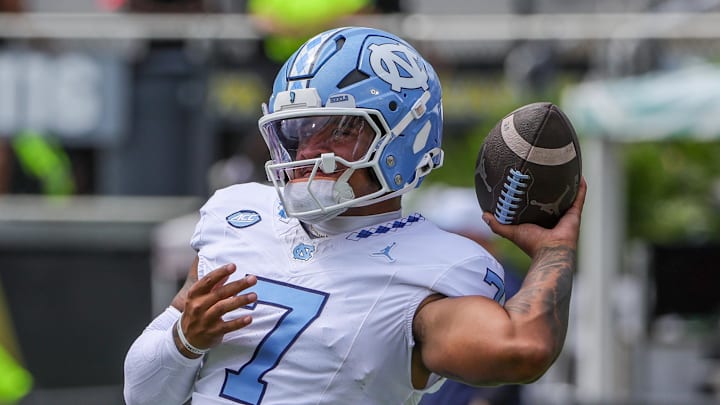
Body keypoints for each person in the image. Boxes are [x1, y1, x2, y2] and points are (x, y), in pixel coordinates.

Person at [123, 26, 587, 405]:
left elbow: (523, 350)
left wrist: (553, 251)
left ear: (403, 140)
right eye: (298, 132)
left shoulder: (435, 269)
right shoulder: (237, 214)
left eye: (339, 129)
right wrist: (184, 340)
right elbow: (143, 395)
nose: (308, 151)